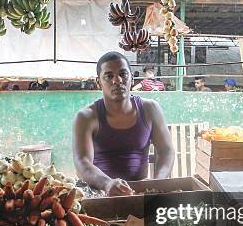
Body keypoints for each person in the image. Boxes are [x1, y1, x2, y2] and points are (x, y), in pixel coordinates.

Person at [73, 52, 175, 196]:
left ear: (132, 78)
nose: (117, 80)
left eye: (123, 74)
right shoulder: (86, 117)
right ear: (98, 82)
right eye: (109, 76)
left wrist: (157, 182)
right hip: (100, 195)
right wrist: (108, 184)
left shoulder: (150, 109)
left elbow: (166, 151)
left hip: (140, 194)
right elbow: (82, 163)